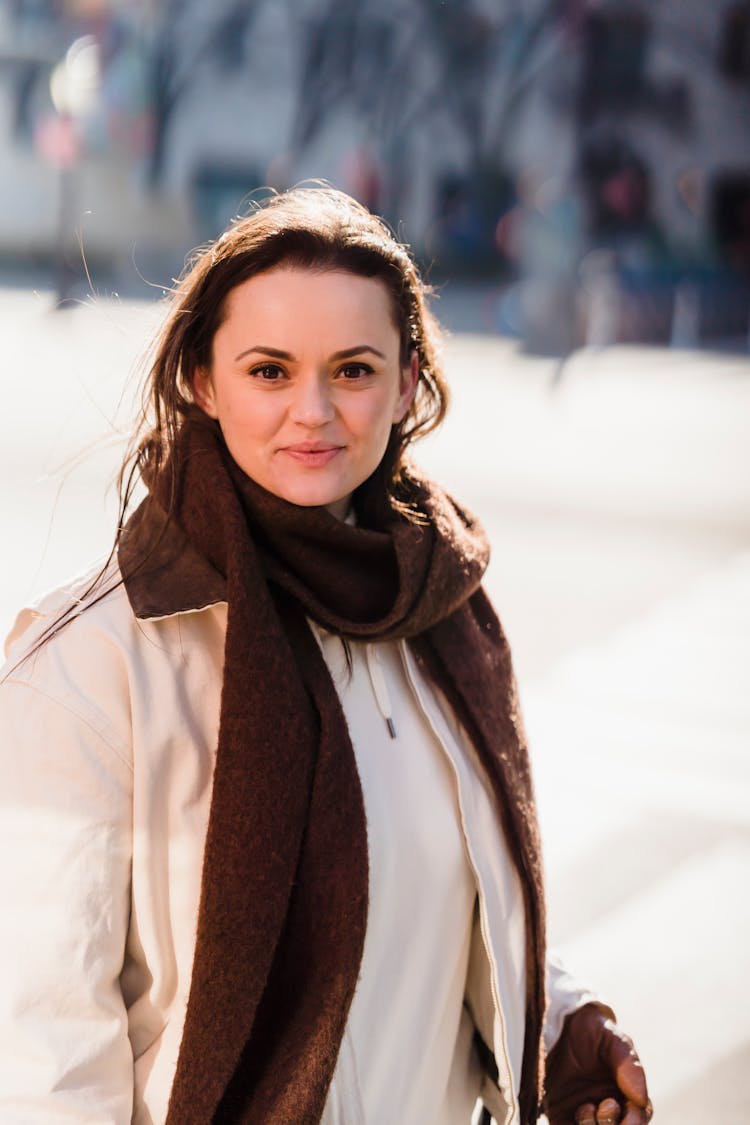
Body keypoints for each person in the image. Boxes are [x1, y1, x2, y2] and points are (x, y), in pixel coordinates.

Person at [0, 187, 652, 1125]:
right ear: (202, 380)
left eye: (352, 369)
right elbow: (41, 1064)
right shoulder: (90, 669)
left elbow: (438, 896)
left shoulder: (443, 617)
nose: (313, 412)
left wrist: (556, 1025)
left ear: (408, 382)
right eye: (269, 370)